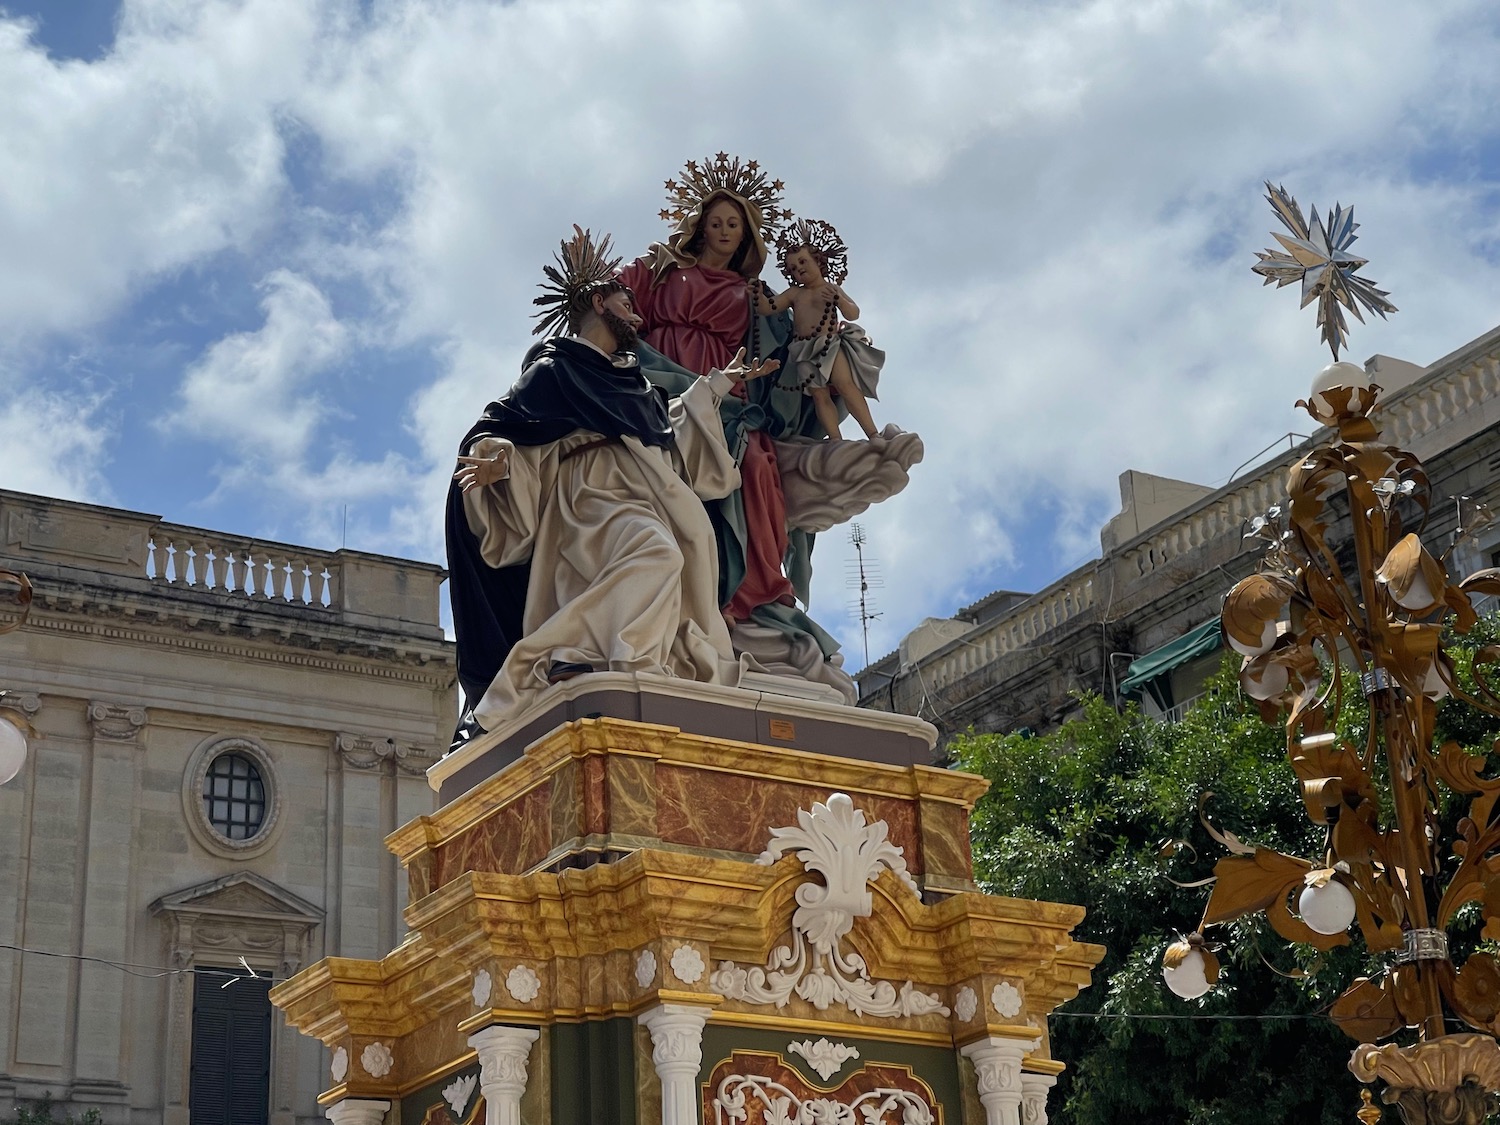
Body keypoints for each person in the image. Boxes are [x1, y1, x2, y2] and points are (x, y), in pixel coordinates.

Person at [445, 227, 778, 740]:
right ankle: (575, 653)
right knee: (659, 556)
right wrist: (498, 463)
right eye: (627, 302)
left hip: (640, 487)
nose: (638, 314)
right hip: (586, 492)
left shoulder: (633, 381)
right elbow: (508, 430)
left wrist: (713, 386)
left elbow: (667, 433)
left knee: (668, 558)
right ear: (599, 302)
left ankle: (602, 658)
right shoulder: (553, 369)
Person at [758, 217, 886, 443]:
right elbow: (770, 308)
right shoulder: (794, 294)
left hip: (830, 345)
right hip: (803, 350)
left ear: (819, 261)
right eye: (794, 269)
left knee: (846, 386)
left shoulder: (831, 288)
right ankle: (835, 440)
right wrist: (756, 293)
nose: (799, 270)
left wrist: (839, 300)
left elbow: (853, 313)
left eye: (803, 262)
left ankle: (873, 433)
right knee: (819, 395)